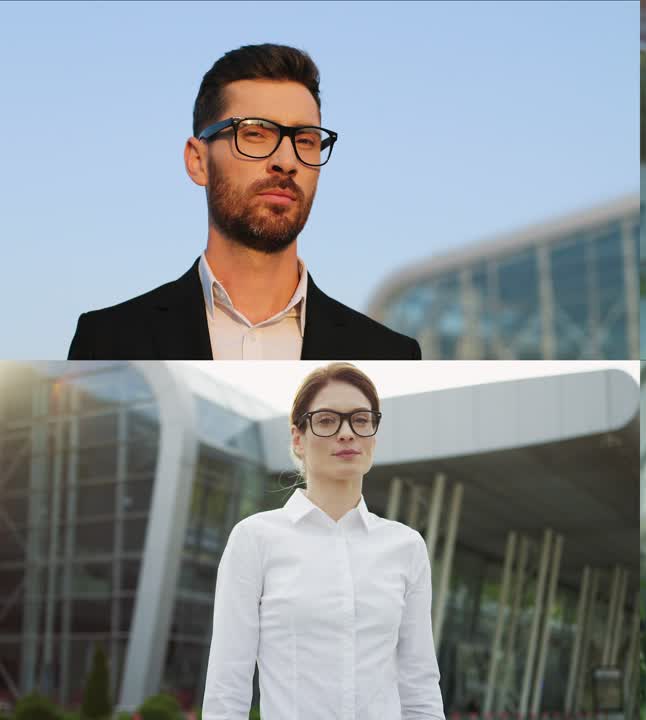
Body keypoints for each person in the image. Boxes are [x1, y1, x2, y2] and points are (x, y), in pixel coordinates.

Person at [68, 44, 421, 360]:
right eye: (255, 134)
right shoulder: (108, 341)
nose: (287, 160)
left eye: (306, 139)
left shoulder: (389, 356)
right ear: (198, 161)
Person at [202, 363, 445, 719]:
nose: (347, 433)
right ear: (298, 440)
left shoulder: (406, 547)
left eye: (361, 420)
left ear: (373, 438)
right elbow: (227, 687)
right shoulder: (255, 539)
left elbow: (420, 684)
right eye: (327, 420)